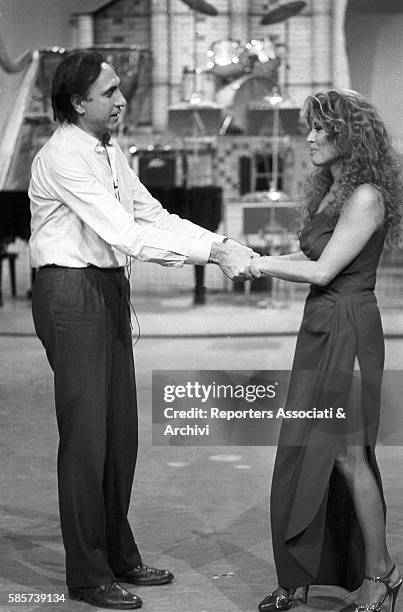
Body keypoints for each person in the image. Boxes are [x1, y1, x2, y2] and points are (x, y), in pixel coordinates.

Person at [29, 50, 258, 610]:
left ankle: (118, 552)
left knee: (121, 433)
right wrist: (211, 254)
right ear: (79, 102)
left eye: (118, 91)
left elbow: (153, 216)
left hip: (104, 290)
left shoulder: (108, 152)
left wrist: (221, 244)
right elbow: (126, 235)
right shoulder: (63, 156)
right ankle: (86, 573)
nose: (121, 100)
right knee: (86, 439)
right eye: (109, 92)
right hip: (70, 292)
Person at [250, 90, 402, 612]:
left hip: (349, 330)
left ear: (350, 135)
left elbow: (322, 270)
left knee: (344, 453)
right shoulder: (332, 192)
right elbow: (312, 254)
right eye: (309, 127)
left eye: (322, 128)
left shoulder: (365, 197)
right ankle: (300, 575)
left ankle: (381, 573)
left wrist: (255, 263)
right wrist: (256, 257)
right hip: (319, 326)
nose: (310, 137)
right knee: (300, 450)